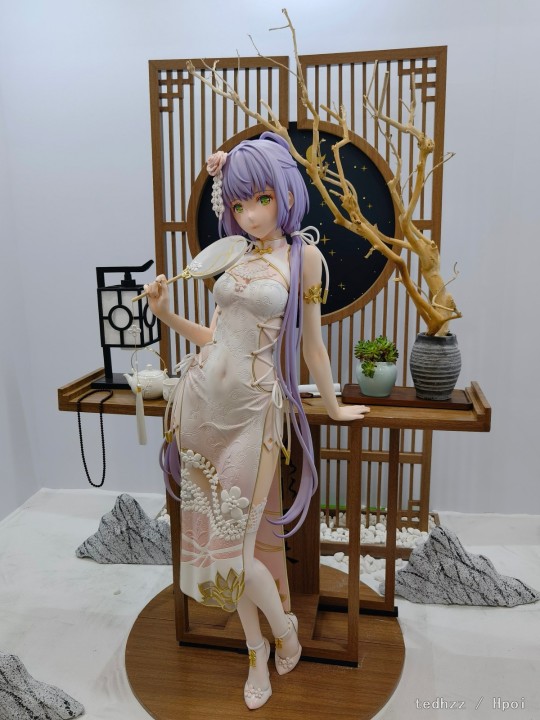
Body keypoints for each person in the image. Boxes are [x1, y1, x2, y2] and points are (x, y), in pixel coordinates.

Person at [145, 132, 369, 710]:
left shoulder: (303, 258)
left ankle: (285, 632)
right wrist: (167, 314)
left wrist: (334, 405)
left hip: (254, 412)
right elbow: (217, 336)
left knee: (238, 548)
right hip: (202, 403)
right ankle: (256, 650)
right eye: (239, 203)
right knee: (220, 548)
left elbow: (313, 345)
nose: (250, 214)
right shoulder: (235, 253)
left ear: (285, 194)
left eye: (261, 200)